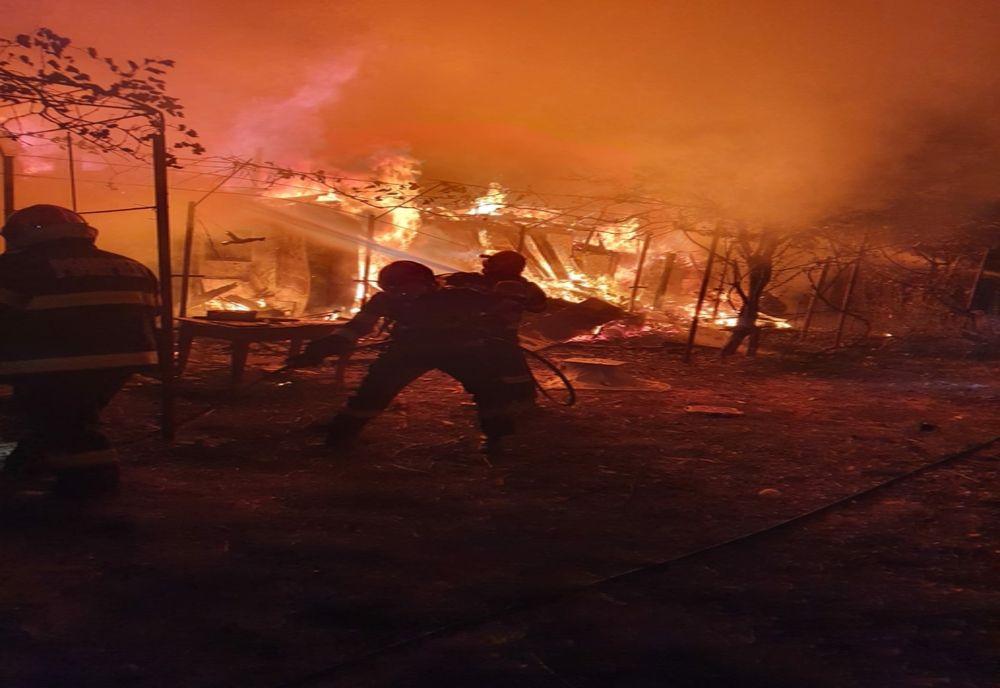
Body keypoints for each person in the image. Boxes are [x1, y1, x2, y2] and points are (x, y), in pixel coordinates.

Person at [0, 205, 159, 497]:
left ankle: (89, 485)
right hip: (124, 360)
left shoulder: (15, 267)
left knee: (66, 425)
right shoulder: (134, 267)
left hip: (50, 363)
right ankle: (28, 464)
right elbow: (152, 314)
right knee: (68, 417)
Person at [287, 260, 516, 452]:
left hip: (458, 349)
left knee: (489, 390)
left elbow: (506, 308)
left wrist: (501, 311)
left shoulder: (460, 296)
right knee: (372, 393)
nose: (400, 293)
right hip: (408, 351)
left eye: (405, 286)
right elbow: (356, 327)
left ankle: (497, 439)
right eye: (393, 288)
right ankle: (340, 438)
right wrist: (320, 349)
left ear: (427, 283)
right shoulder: (385, 300)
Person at [441, 250, 547, 406]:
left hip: (493, 334)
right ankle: (513, 400)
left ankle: (519, 401)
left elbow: (538, 306)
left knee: (505, 369)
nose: (487, 266)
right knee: (504, 367)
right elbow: (539, 306)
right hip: (498, 334)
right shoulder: (526, 286)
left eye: (493, 263)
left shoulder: (480, 282)